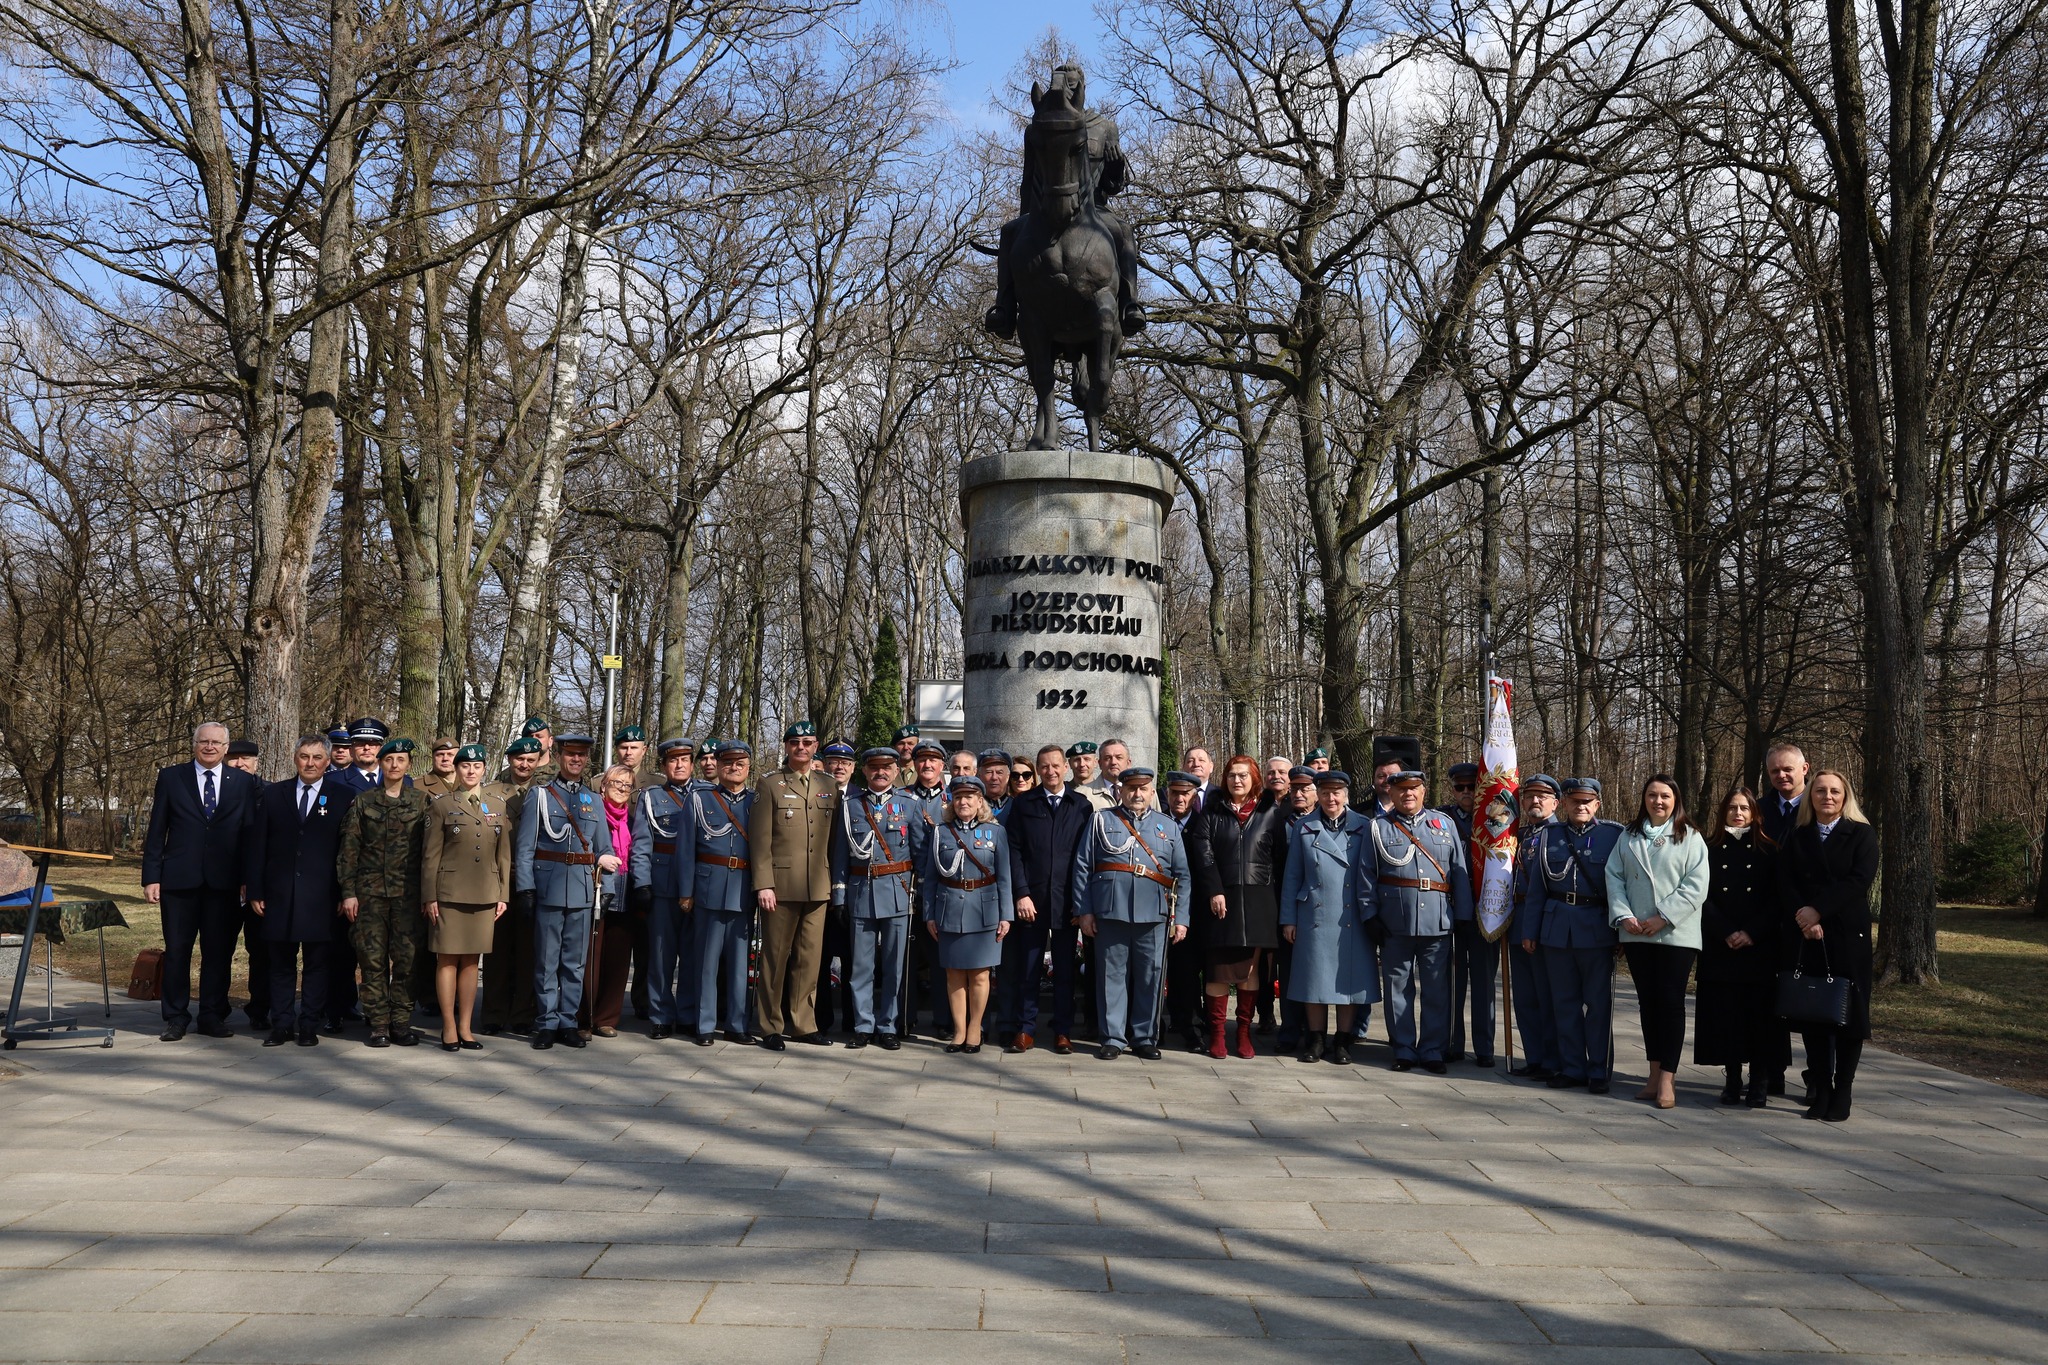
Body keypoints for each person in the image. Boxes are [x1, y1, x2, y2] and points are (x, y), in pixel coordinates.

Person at [142, 721, 262, 1041]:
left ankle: (211, 1014)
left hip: (225, 884)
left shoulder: (242, 782)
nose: (209, 747)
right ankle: (176, 1016)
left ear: (225, 748)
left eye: (216, 743)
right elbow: (157, 831)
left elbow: (250, 835)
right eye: (203, 741)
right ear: (194, 745)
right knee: (178, 950)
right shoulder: (171, 777)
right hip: (179, 881)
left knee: (218, 953)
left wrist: (250, 879)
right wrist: (152, 877)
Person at [1070, 768, 1191, 1061]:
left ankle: (1144, 1037)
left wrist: (1182, 918)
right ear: (1120, 791)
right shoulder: (1102, 820)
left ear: (1152, 793)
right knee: (1112, 976)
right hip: (1111, 910)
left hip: (1154, 913)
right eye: (1131, 788)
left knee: (1151, 977)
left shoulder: (1168, 826)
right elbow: (1083, 867)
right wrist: (1084, 911)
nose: (1137, 794)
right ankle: (1112, 1036)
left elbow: (1183, 876)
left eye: (1143, 789)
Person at [1778, 769, 1878, 1122]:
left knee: (1849, 1017)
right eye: (1820, 791)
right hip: (1806, 934)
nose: (1827, 797)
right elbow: (1785, 879)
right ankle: (1820, 1087)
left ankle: (1843, 1090)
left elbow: (1859, 879)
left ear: (1845, 796)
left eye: (1835, 791)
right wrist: (1803, 918)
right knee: (1815, 1014)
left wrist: (1818, 910)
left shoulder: (1861, 833)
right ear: (1811, 796)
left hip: (1848, 936)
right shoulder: (1798, 834)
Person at [245, 735, 357, 1047]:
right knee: (280, 964)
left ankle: (309, 1024)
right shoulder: (274, 794)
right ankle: (281, 1024)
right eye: (304, 756)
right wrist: (255, 890)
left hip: (322, 897)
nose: (310, 763)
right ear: (296, 759)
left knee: (317, 965)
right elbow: (258, 846)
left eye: (317, 757)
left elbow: (347, 850)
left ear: (328, 760)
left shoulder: (343, 795)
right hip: (279, 894)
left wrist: (344, 892)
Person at [1607, 774, 1710, 1109]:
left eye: (1665, 796)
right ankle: (1653, 1076)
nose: (1658, 802)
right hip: (1637, 932)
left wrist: (1662, 916)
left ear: (1675, 800)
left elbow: (1696, 886)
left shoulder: (1690, 837)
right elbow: (1614, 877)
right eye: (1652, 795)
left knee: (1670, 1004)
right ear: (1644, 799)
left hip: (1674, 934)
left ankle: (1668, 1078)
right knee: (1648, 1005)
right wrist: (1624, 916)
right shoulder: (1629, 835)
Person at [511, 732, 615, 1051]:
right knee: (546, 959)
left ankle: (568, 1020)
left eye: (582, 756)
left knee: (574, 962)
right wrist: (525, 888)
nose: (576, 760)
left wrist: (607, 888)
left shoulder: (594, 799)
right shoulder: (540, 796)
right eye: (570, 754)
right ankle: (545, 1022)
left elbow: (605, 850)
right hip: (549, 888)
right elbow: (525, 848)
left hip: (583, 890)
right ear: (558, 756)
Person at [1360, 770, 1470, 1071]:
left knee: (1437, 988)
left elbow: (1459, 870)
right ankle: (1404, 1048)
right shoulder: (1377, 828)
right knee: (1398, 988)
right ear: (1391, 794)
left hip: (1438, 920)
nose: (1408, 794)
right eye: (1402, 790)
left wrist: (1462, 914)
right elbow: (1366, 875)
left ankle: (1432, 1049)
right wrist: (1370, 916)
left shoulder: (1444, 825)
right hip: (1395, 921)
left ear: (1424, 792)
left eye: (1414, 789)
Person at [1186, 754, 1286, 1059]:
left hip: (1259, 902)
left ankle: (1243, 1033)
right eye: (1232, 775)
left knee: (1249, 971)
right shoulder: (1211, 812)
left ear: (1254, 778)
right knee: (1218, 971)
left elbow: (1280, 859)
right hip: (1221, 904)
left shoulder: (1270, 812)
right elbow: (1204, 857)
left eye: (1243, 775)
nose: (1237, 780)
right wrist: (1215, 891)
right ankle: (1217, 1034)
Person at [1529, 777, 1624, 1093]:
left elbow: (1622, 888)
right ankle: (1572, 1068)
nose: (1581, 806)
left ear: (1597, 804)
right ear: (1564, 803)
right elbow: (1536, 890)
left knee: (1598, 1005)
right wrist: (1530, 931)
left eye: (1587, 801)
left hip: (1597, 930)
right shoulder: (1548, 836)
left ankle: (1598, 1070)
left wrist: (1622, 933)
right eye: (1575, 801)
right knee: (1564, 1004)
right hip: (1556, 930)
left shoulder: (1614, 836)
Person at [335, 737, 430, 1048]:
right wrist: (348, 892)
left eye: (400, 760)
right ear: (381, 763)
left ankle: (401, 1022)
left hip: (408, 895)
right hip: (370, 895)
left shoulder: (420, 802)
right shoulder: (364, 802)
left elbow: (430, 852)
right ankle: (378, 1024)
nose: (394, 765)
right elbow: (349, 850)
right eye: (389, 760)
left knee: (407, 960)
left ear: (408, 766)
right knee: (372, 960)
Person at [749, 721, 837, 1050]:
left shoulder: (828, 784)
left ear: (816, 747)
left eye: (808, 742)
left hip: (817, 886)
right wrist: (764, 885)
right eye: (795, 742)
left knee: (809, 960)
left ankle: (804, 1023)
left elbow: (831, 842)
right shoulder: (770, 784)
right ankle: (770, 1024)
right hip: (780, 886)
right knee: (774, 958)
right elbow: (760, 842)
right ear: (786, 747)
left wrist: (832, 882)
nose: (801, 747)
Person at [999, 743, 1091, 1054]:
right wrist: (1021, 894)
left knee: (1065, 971)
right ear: (1038, 770)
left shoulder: (1081, 806)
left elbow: (1085, 858)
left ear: (1066, 767)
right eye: (1044, 766)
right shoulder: (1024, 804)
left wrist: (1081, 903)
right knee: (1028, 968)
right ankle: (1025, 1030)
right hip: (1032, 901)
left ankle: (1062, 1030)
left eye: (1055, 765)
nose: (1050, 771)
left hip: (1067, 902)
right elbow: (1013, 852)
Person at [1694, 786, 1779, 1108]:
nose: (1738, 813)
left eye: (1745, 808)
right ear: (1723, 813)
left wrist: (1752, 932)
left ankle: (1759, 1083)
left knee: (1759, 1018)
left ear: (1755, 813)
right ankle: (1732, 1080)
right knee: (1727, 1017)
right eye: (1732, 808)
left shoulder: (1770, 850)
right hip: (1722, 945)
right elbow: (1701, 895)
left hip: (1759, 947)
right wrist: (1726, 931)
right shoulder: (1709, 849)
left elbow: (1777, 899)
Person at [830, 749, 920, 1049]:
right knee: (860, 966)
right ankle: (863, 1025)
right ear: (865, 772)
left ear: (896, 770)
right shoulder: (850, 806)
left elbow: (920, 854)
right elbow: (841, 853)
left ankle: (889, 1025)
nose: (880, 772)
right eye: (874, 768)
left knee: (894, 966)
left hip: (897, 892)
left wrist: (918, 895)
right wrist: (839, 896)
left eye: (887, 767)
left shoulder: (909, 804)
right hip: (862, 892)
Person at [422, 744, 510, 1051]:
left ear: (485, 768)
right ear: (457, 770)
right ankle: (448, 1027)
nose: (471, 771)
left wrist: (503, 894)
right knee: (446, 960)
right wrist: (429, 896)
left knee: (472, 962)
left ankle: (466, 1027)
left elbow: (504, 857)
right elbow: (430, 856)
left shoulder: (497, 805)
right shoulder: (442, 805)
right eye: (464, 766)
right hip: (449, 894)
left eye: (476, 766)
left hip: (485, 894)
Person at [918, 775, 1014, 1053]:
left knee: (980, 975)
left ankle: (975, 1028)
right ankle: (959, 1031)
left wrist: (1005, 915)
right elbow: (930, 877)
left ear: (979, 800)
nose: (964, 802)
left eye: (970, 797)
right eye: (958, 797)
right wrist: (929, 915)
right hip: (949, 909)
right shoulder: (940, 833)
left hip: (985, 910)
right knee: (954, 975)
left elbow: (1005, 877)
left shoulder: (996, 832)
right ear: (952, 801)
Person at [682, 740, 758, 1045]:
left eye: (740, 762)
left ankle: (737, 1024)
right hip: (708, 888)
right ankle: (704, 1024)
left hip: (742, 889)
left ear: (749, 767)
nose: (734, 767)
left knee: (741, 965)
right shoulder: (700, 800)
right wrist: (685, 892)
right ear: (719, 765)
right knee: (705, 963)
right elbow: (686, 850)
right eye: (728, 762)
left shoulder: (757, 802)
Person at [630, 738, 699, 1040]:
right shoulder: (651, 797)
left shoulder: (707, 794)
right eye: (673, 760)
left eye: (685, 759)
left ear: (692, 764)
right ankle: (660, 1014)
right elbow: (642, 845)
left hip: (698, 886)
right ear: (663, 766)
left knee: (693, 955)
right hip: (663, 886)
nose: (679, 765)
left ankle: (686, 1014)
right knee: (660, 955)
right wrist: (642, 883)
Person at [479, 737, 544, 1035]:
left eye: (531, 759)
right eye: (520, 758)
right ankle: (493, 1013)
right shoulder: (490, 791)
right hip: (497, 880)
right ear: (510, 759)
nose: (525, 764)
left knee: (528, 950)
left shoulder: (545, 792)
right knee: (496, 950)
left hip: (534, 880)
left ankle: (523, 1014)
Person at [1434, 761, 1494, 1065]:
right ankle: (1453, 1043)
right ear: (1453, 789)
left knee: (1484, 982)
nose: (1467, 792)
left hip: (1487, 909)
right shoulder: (1440, 819)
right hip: (1452, 907)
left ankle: (1484, 1048)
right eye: (1461, 787)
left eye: (1473, 786)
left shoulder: (1496, 818)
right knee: (1451, 982)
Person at [1507, 774, 1562, 1081]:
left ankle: (1553, 1059)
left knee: (1548, 996)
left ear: (1556, 802)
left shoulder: (1560, 834)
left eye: (1543, 796)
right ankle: (1535, 1057)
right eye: (1529, 796)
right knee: (1525, 998)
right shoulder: (1519, 834)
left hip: (1544, 921)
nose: (1535, 801)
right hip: (1518, 919)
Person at [579, 764, 640, 1039]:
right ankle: (584, 1015)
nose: (622, 789)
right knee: (591, 956)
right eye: (617, 783)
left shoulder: (635, 817)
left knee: (618, 958)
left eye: (627, 785)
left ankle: (606, 1017)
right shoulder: (592, 813)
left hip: (627, 891)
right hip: (597, 890)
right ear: (603, 786)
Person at [222, 738, 272, 1030]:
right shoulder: (217, 792)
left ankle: (259, 1008)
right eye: (234, 758)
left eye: (246, 759)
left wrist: (255, 882)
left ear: (256, 763)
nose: (240, 764)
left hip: (259, 889)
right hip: (224, 886)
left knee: (261, 951)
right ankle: (216, 1007)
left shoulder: (271, 794)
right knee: (219, 950)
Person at [1159, 771, 1207, 1049]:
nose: (1179, 798)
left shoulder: (1204, 823)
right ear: (1166, 794)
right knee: (1159, 969)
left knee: (1187, 970)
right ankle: (1161, 1023)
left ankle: (1190, 1023)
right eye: (1174, 793)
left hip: (1192, 908)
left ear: (1194, 796)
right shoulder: (1159, 824)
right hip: (1160, 906)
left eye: (1185, 793)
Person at [1759, 743, 1809, 845]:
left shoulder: (1820, 807)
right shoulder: (1758, 810)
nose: (1781, 775)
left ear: (1804, 769)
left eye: (1788, 769)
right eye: (1775, 771)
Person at [977, 749, 1013, 816]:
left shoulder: (1017, 806)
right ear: (980, 776)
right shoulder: (972, 806)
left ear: (1008, 776)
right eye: (989, 772)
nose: (994, 777)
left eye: (999, 773)